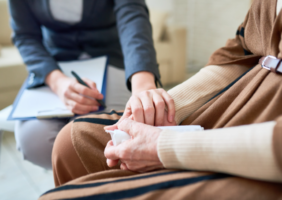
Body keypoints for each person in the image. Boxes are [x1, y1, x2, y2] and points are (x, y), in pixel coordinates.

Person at [40, 0, 282, 199]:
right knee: (71, 141)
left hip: (270, 148)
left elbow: (131, 15)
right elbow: (240, 52)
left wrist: (164, 147)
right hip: (237, 101)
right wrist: (164, 107)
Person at [8, 0, 174, 169]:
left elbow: (132, 17)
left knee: (108, 136)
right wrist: (57, 82)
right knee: (34, 142)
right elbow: (25, 36)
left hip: (112, 58)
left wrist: (143, 84)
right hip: (55, 66)